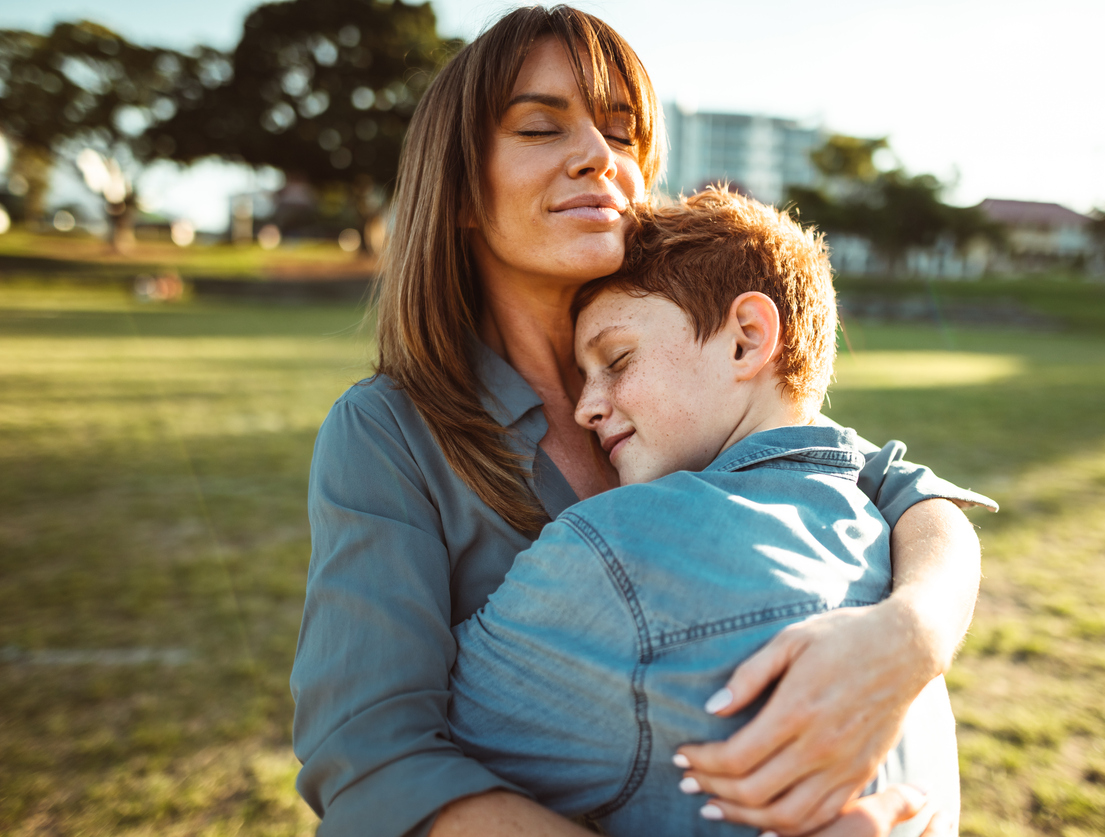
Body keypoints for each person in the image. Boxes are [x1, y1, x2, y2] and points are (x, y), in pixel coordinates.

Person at [291, 7, 992, 837]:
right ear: (461, 191)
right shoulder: (388, 431)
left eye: (622, 135)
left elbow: (900, 490)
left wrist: (908, 638)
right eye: (543, 127)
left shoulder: (682, 367)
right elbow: (374, 758)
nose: (599, 156)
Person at [447, 188, 995, 837]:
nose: (585, 407)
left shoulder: (619, 546)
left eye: (617, 359)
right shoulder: (883, 526)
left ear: (746, 339)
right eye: (581, 375)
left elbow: (410, 744)